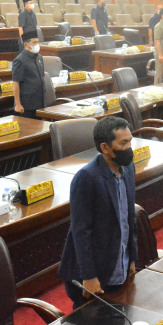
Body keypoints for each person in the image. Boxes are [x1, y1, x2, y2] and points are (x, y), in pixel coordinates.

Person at [59, 115, 137, 309]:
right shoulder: (86, 178)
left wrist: (131, 259)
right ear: (105, 148)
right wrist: (89, 275)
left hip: (119, 263)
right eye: (123, 143)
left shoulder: (128, 169)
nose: (129, 148)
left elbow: (128, 220)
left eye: (130, 141)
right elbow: (80, 231)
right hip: (94, 271)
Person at [12, 30, 45, 118]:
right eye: (34, 42)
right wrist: (18, 104)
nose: (37, 44)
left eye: (38, 42)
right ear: (26, 45)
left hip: (40, 102)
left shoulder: (39, 57)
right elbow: (16, 83)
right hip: (27, 105)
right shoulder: (19, 60)